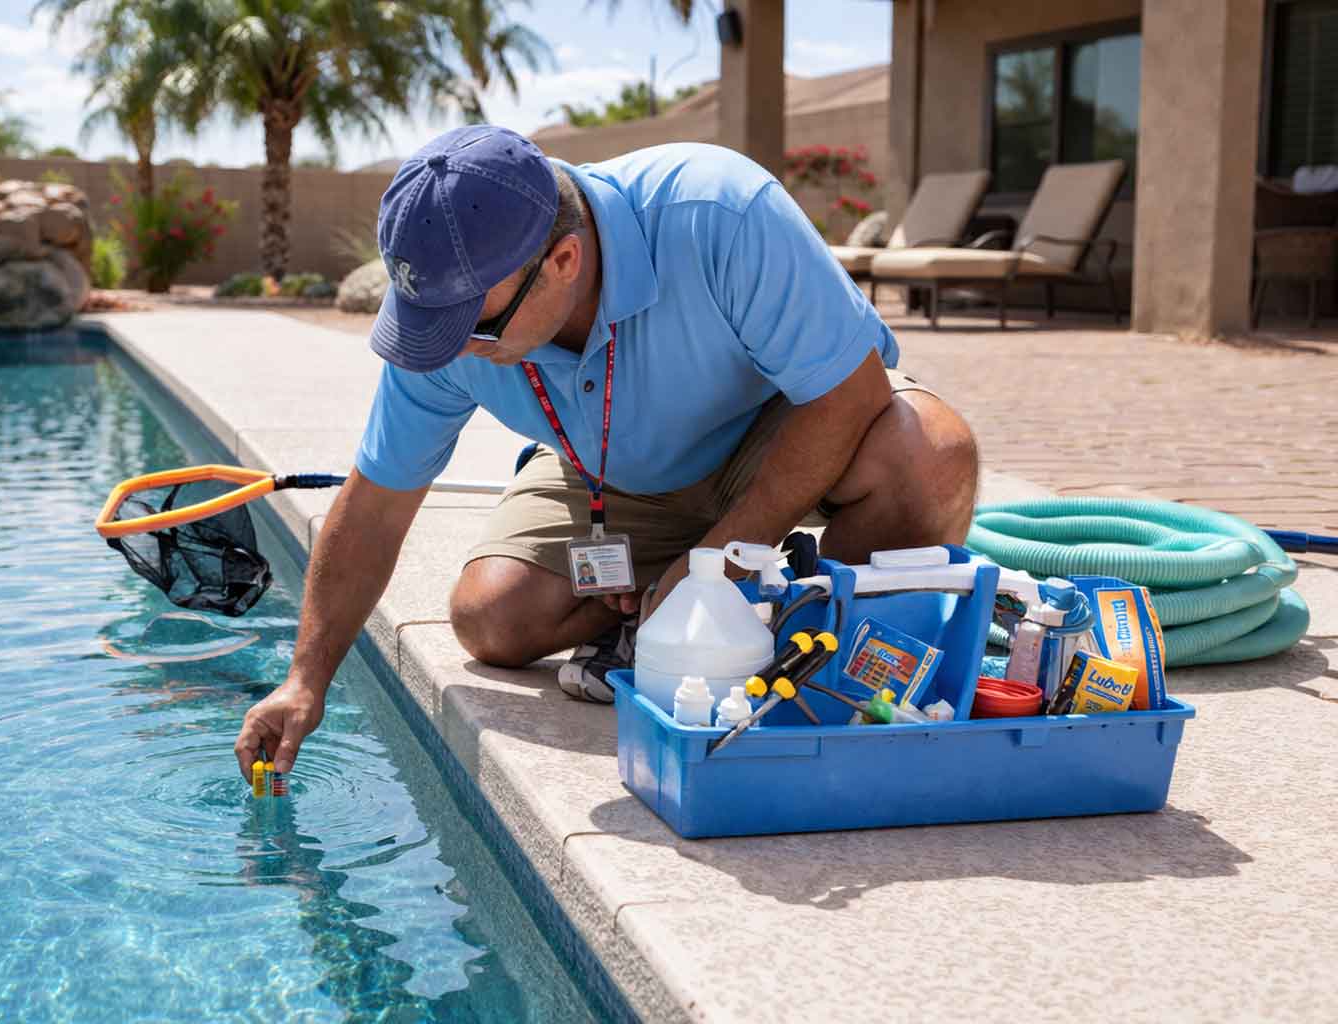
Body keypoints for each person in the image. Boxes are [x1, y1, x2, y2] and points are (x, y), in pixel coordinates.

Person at [235, 125, 977, 782]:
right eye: (428, 319)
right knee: (493, 619)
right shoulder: (449, 320)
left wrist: (724, 554)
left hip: (781, 430)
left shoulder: (719, 211)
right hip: (610, 472)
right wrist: (305, 679)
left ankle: (823, 659)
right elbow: (373, 508)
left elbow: (849, 394)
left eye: (473, 325)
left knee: (930, 458)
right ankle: (668, 602)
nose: (449, 346)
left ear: (563, 260)